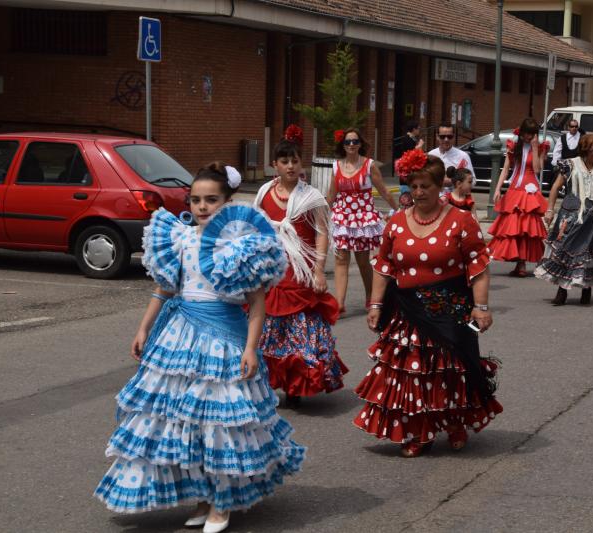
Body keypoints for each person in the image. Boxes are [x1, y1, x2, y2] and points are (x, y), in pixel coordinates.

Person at [94, 163, 305, 533]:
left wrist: (251, 349)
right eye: (196, 200)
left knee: (220, 423)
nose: (202, 206)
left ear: (227, 202)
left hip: (225, 341)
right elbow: (165, 288)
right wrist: (143, 328)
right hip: (179, 338)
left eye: (211, 200)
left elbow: (257, 306)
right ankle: (203, 498)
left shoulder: (243, 246)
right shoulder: (180, 238)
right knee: (184, 423)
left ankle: (223, 502)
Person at [354, 151, 502, 458]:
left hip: (450, 310)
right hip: (407, 311)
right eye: (414, 187)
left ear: (439, 186)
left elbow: (478, 265)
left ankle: (456, 422)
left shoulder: (461, 220)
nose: (419, 193)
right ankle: (419, 432)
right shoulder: (396, 223)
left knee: (451, 372)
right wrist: (376, 305)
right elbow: (384, 265)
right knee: (413, 374)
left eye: (426, 186)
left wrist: (481, 307)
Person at [255, 139, 348, 407]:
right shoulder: (264, 193)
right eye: (284, 161)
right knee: (270, 328)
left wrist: (318, 270)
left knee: (300, 327)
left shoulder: (312, 197)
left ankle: (296, 384)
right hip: (273, 269)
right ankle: (270, 380)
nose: (290, 166)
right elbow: (256, 229)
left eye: (295, 161)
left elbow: (321, 233)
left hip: (301, 272)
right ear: (275, 165)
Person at [536, 133, 593, 305]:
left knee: (587, 253)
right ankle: (562, 290)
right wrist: (550, 210)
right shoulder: (570, 164)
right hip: (570, 217)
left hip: (592, 218)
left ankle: (586, 288)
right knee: (565, 250)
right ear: (585, 150)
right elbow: (555, 187)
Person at [329, 128, 398, 313]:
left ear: (360, 144)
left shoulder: (369, 165)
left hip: (362, 220)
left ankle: (370, 295)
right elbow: (331, 195)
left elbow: (384, 190)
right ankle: (339, 303)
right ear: (343, 145)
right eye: (348, 142)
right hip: (343, 219)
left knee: (362, 261)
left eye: (355, 141)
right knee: (340, 259)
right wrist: (321, 216)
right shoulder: (336, 166)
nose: (351, 145)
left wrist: (399, 210)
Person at [488, 117, 548, 277]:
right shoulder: (514, 146)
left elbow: (537, 170)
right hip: (515, 188)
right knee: (513, 227)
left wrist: (535, 148)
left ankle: (522, 263)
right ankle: (518, 261)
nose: (529, 137)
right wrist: (498, 189)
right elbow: (506, 168)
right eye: (527, 133)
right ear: (522, 132)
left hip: (530, 189)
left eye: (532, 134)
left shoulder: (541, 147)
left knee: (526, 227)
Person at [428, 122, 474, 192]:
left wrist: (453, 181)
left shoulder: (463, 156)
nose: (446, 139)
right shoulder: (431, 155)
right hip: (435, 196)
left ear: (454, 137)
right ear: (437, 136)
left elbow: (473, 181)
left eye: (449, 136)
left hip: (455, 197)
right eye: (442, 137)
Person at [398, 121, 424, 208]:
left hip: (410, 171)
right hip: (407, 170)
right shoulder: (407, 139)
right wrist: (419, 146)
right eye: (418, 128)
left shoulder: (412, 138)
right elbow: (411, 153)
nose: (419, 130)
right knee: (407, 199)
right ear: (413, 129)